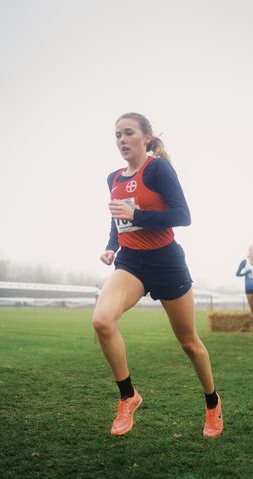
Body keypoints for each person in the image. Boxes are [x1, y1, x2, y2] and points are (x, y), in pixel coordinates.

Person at [93, 112, 223, 438]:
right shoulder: (114, 178)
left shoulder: (158, 169)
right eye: (117, 135)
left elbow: (183, 215)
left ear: (146, 137)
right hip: (131, 263)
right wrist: (111, 246)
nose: (122, 140)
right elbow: (117, 219)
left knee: (190, 343)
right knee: (102, 321)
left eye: (128, 133)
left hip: (166, 262)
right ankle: (128, 397)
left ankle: (212, 403)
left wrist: (137, 213)